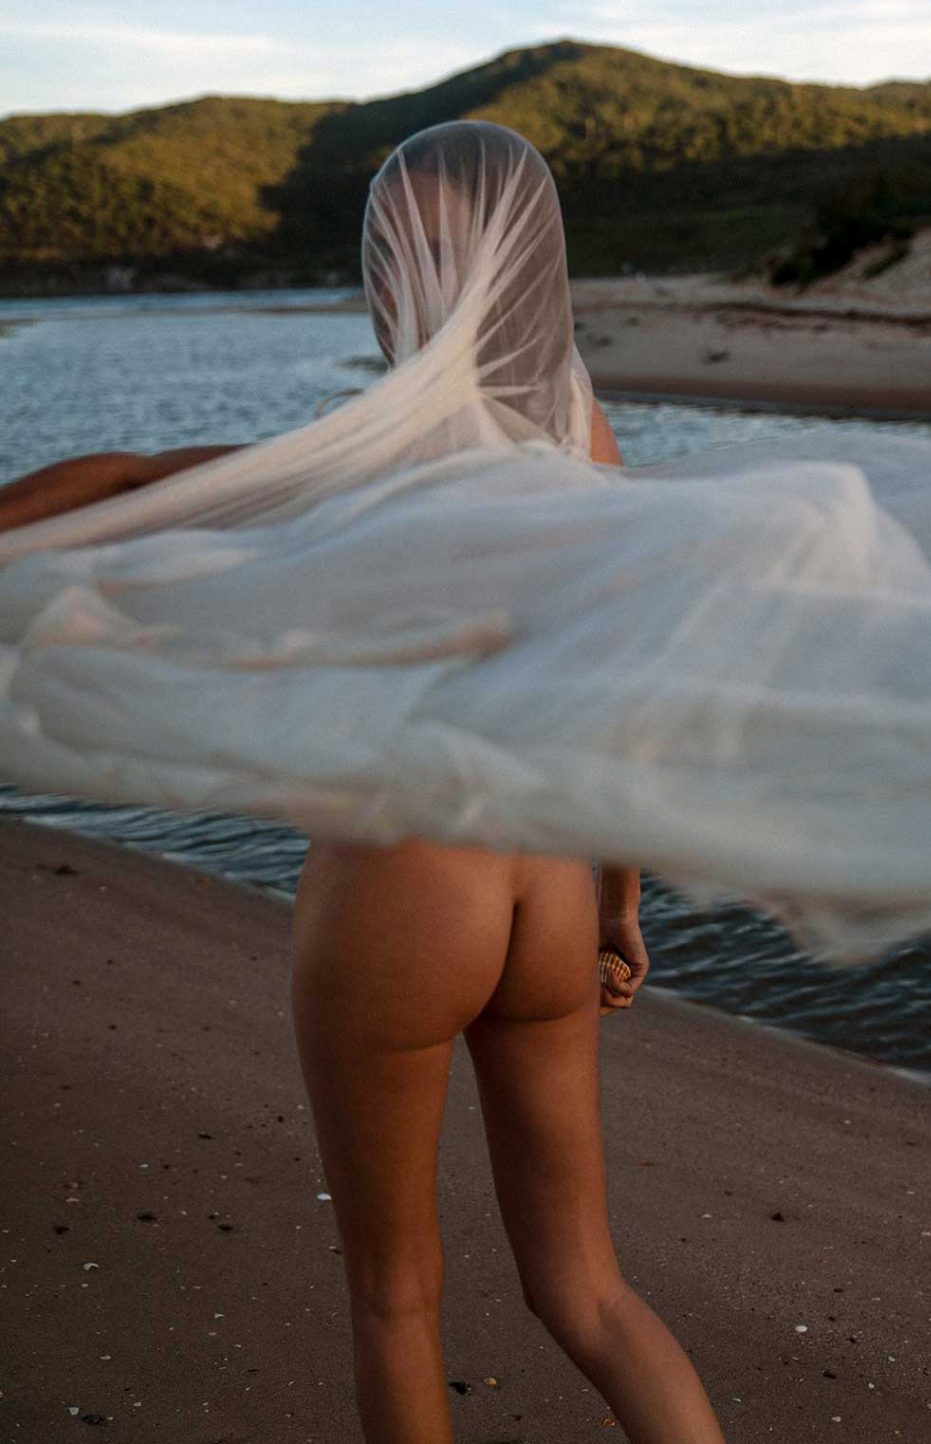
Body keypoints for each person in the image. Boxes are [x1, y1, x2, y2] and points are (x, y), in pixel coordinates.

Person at [0, 122, 729, 1443]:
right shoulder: (583, 434)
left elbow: (123, 487)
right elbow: (609, 701)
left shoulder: (377, 447)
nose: (390, 267)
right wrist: (623, 901)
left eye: (409, 247)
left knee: (396, 1302)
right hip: (554, 884)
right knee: (588, 1290)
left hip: (408, 878)